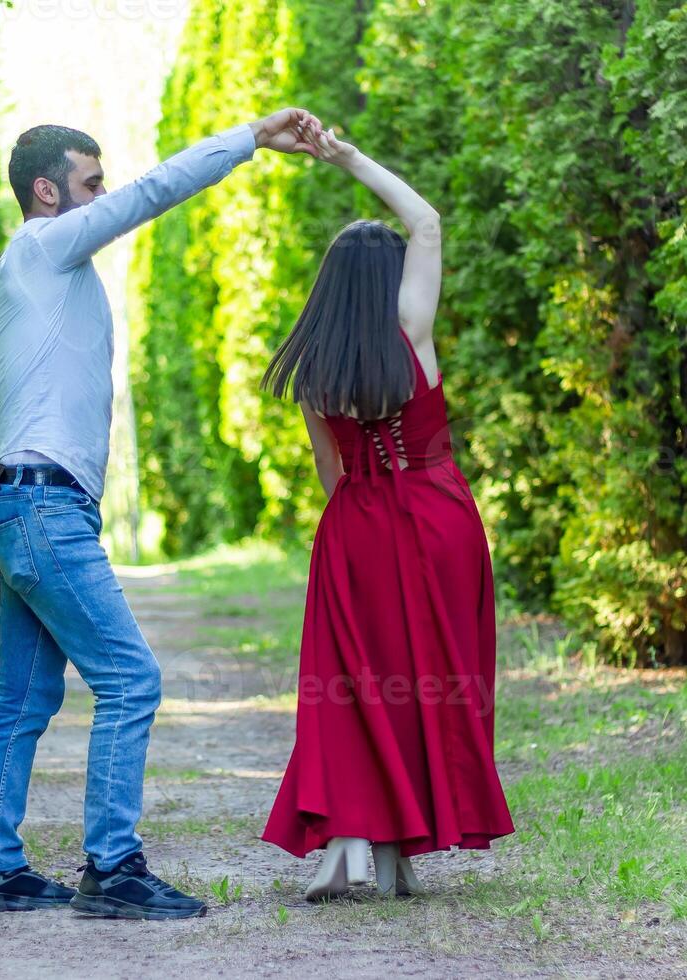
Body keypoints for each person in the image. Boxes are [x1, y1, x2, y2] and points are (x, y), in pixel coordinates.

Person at [0, 108, 321, 919]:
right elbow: (157, 191)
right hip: (42, 504)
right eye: (91, 184)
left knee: (22, 698)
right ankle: (113, 868)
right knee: (130, 678)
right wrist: (251, 137)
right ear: (47, 191)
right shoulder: (44, 245)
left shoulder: (46, 269)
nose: (105, 196)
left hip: (29, 503)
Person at [258, 121, 516, 900]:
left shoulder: (317, 372)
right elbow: (427, 221)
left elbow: (330, 472)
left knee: (355, 686)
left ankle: (352, 843)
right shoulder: (412, 334)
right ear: (392, 280)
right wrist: (347, 158)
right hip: (436, 515)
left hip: (356, 524)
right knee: (431, 678)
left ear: (330, 288)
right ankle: (400, 848)